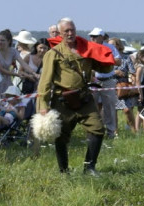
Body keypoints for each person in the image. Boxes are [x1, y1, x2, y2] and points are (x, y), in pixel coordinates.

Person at [36, 18, 115, 174]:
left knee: (98, 129)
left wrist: (107, 58)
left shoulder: (86, 49)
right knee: (61, 137)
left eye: (72, 30)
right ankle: (63, 170)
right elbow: (44, 82)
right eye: (66, 31)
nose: (70, 33)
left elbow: (103, 68)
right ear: (60, 33)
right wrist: (43, 106)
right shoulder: (53, 54)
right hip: (62, 100)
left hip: (84, 98)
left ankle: (89, 167)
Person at [88, 28, 121, 139]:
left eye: (95, 36)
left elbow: (118, 61)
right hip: (93, 80)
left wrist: (104, 58)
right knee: (91, 107)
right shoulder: (89, 47)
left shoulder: (110, 47)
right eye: (91, 36)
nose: (92, 38)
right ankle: (92, 132)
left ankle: (111, 132)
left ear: (102, 37)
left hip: (108, 80)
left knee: (109, 107)